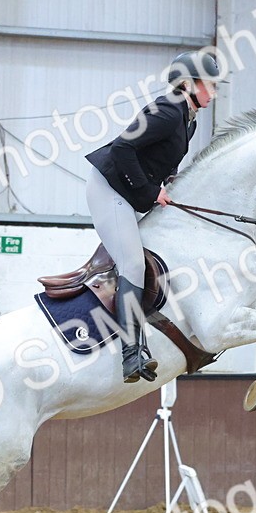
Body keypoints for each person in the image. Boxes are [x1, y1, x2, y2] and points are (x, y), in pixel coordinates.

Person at [85, 51, 220, 383]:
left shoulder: (188, 118)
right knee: (133, 265)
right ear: (188, 84)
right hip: (109, 189)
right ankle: (131, 356)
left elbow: (161, 158)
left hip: (127, 191)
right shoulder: (167, 111)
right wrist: (149, 191)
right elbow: (122, 148)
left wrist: (169, 183)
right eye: (209, 84)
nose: (214, 92)